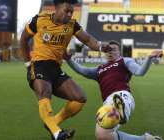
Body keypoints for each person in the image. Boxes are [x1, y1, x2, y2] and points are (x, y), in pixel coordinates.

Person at [20, 0, 112, 140]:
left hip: (56, 68)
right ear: (56, 8)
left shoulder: (72, 25)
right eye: (66, 11)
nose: (69, 14)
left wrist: (100, 46)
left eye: (71, 11)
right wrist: (27, 62)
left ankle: (52, 122)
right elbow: (23, 39)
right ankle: (57, 133)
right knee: (45, 93)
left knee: (80, 98)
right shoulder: (40, 20)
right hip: (39, 64)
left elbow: (87, 40)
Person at [65, 40, 163, 140]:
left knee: (105, 131)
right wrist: (68, 59)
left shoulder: (124, 61)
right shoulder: (99, 69)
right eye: (108, 50)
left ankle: (119, 108)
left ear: (119, 52)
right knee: (103, 136)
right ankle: (145, 138)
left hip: (121, 96)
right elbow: (82, 70)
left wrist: (149, 58)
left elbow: (139, 72)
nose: (110, 52)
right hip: (107, 103)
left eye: (114, 50)